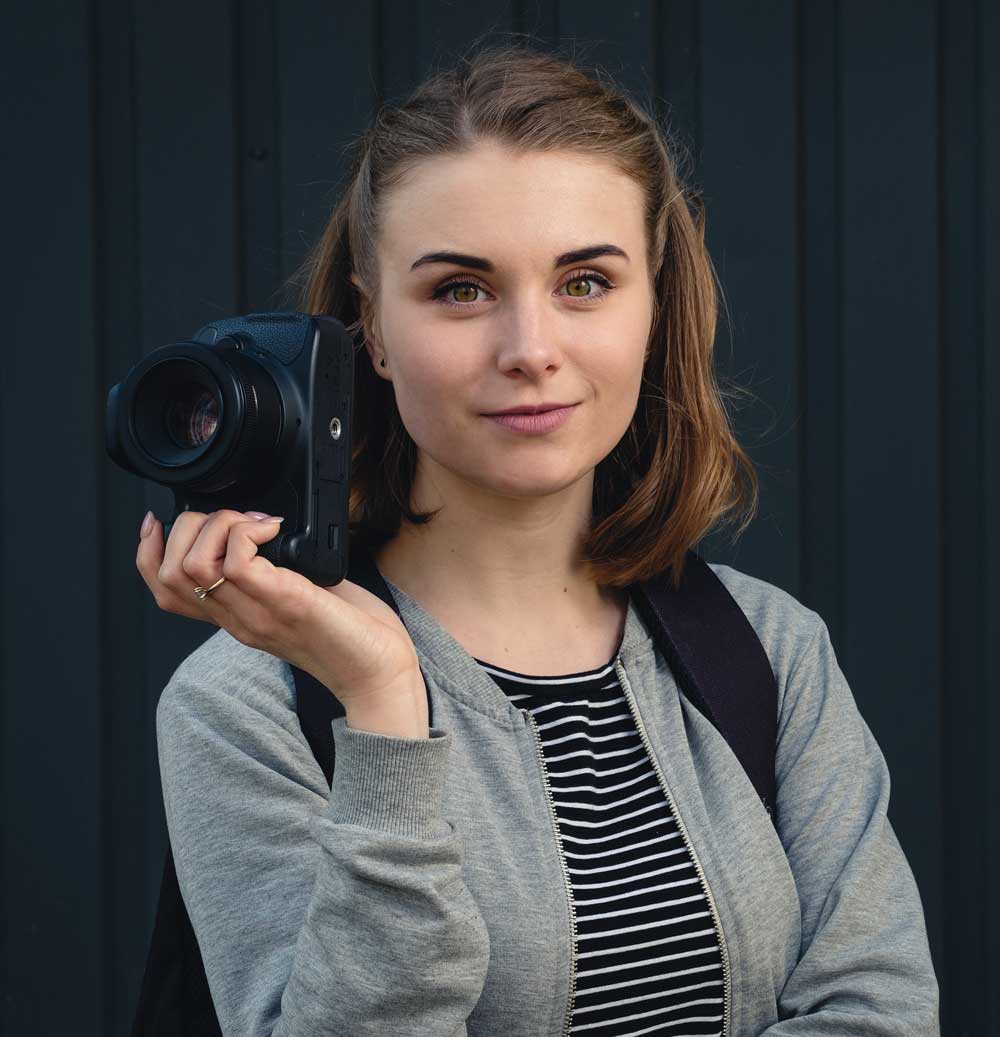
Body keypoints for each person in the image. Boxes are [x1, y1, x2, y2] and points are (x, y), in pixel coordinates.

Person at [135, 42, 940, 1037]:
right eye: (460, 290)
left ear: (653, 304)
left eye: (585, 282)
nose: (530, 350)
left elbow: (880, 1009)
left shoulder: (770, 649)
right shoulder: (244, 705)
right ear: (371, 328)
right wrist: (384, 705)